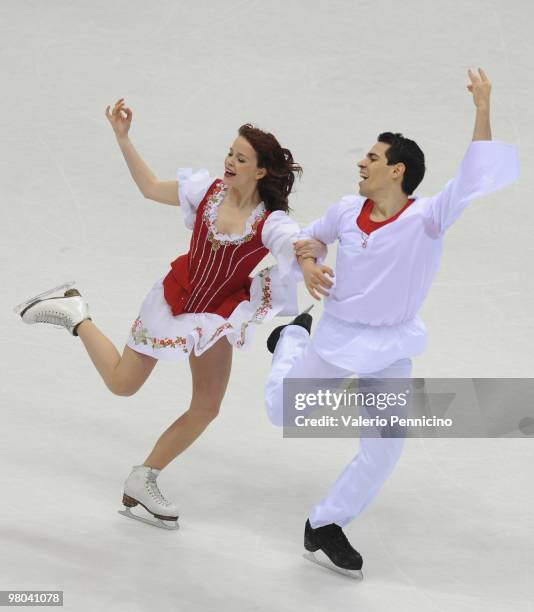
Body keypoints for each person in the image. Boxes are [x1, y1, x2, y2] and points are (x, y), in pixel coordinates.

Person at [264, 68, 519, 577]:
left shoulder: (427, 217)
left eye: (373, 157)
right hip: (336, 338)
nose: (362, 161)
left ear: (397, 171)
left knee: (384, 446)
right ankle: (291, 338)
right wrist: (312, 265)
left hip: (392, 345)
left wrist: (482, 107)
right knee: (283, 414)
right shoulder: (343, 210)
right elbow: (306, 242)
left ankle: (325, 523)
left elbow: (474, 174)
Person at [14, 98, 313, 529]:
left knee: (206, 408)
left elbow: (294, 243)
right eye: (230, 152)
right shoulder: (205, 192)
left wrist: (308, 263)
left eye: (240, 158)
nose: (229, 161)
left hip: (214, 318)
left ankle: (144, 476)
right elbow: (151, 187)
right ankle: (75, 312)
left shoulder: (269, 221)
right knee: (122, 384)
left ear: (260, 171)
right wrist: (123, 138)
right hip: (176, 301)